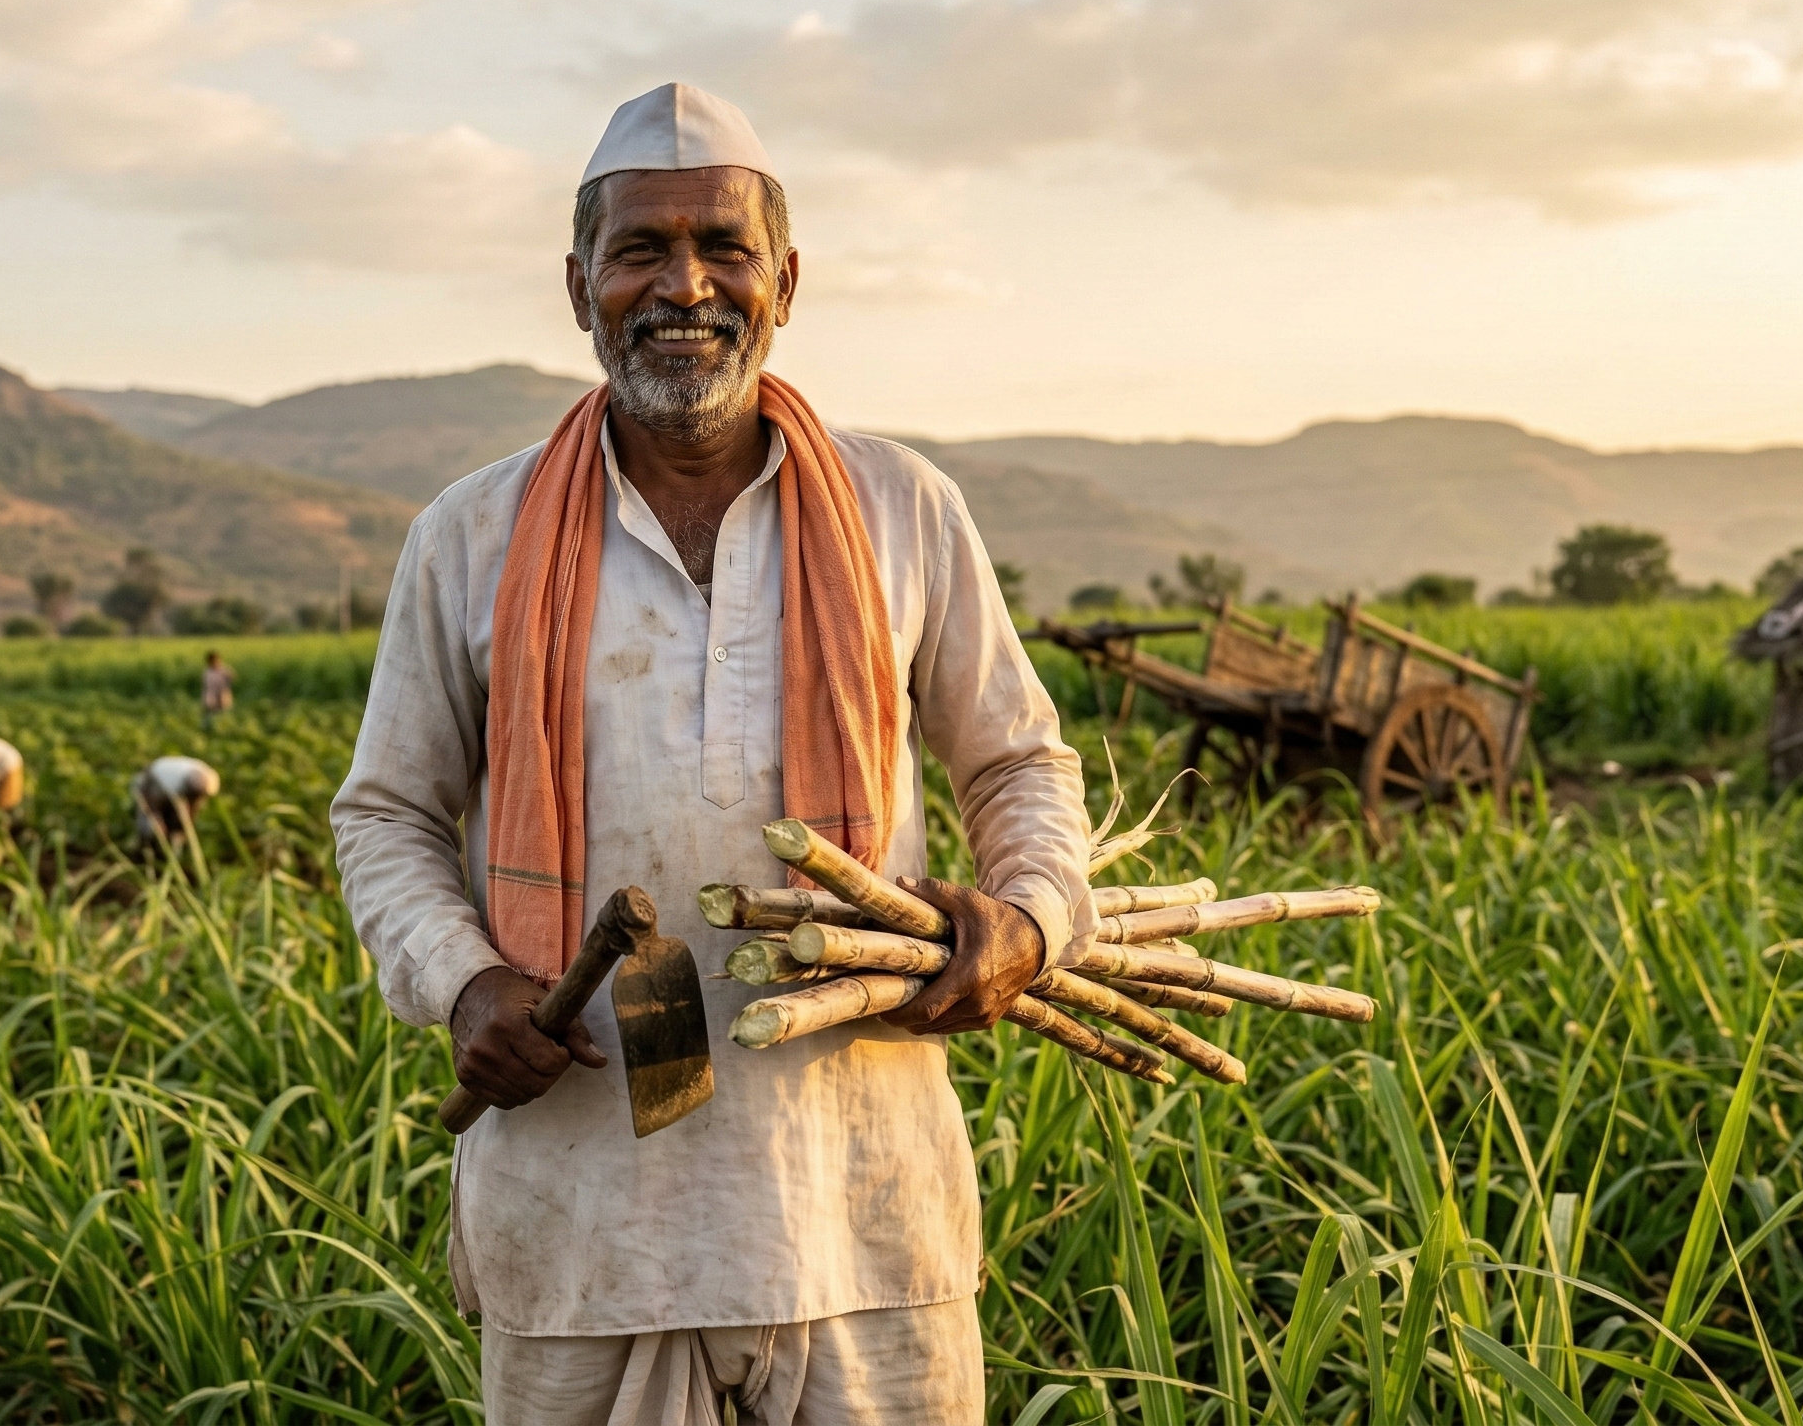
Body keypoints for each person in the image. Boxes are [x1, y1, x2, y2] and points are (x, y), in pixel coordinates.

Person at [331, 84, 1089, 1425]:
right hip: (583, 1225)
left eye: (723, 248)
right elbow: (388, 812)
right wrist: (464, 989)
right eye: (640, 252)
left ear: (785, 280)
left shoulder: (903, 505)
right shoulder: (471, 532)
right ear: (579, 286)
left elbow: (1018, 762)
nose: (684, 286)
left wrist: (1027, 921)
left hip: (858, 1208)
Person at [131, 754, 222, 855]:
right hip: (149, 789)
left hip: (171, 790)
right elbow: (149, 800)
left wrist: (183, 828)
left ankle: (171, 854)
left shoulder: (209, 781)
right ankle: (144, 852)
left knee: (176, 832)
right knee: (150, 828)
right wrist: (156, 818)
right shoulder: (167, 781)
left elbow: (193, 807)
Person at [200, 651, 236, 731]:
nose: (216, 663)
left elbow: (232, 678)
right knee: (210, 717)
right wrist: (205, 700)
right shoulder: (207, 673)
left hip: (223, 697)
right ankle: (209, 730)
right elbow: (206, 687)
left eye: (217, 660)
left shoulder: (224, 670)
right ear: (209, 662)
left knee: (224, 717)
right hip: (211, 698)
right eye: (213, 661)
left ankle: (224, 731)